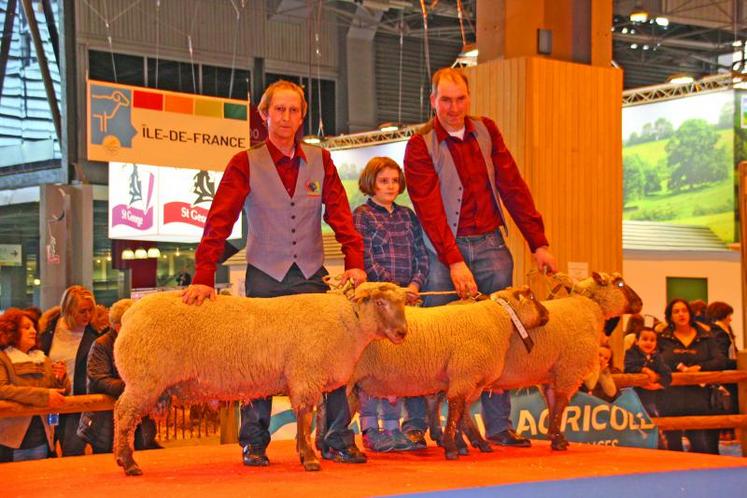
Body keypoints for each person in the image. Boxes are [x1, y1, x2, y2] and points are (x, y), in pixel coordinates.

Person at [182, 80, 368, 466]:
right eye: (278, 110)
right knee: (259, 363)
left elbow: (339, 214)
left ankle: (336, 437)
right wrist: (203, 274)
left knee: (330, 359)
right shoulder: (244, 163)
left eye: (293, 110)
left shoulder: (321, 160)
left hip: (312, 274)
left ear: (302, 116)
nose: (286, 117)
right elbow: (219, 221)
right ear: (264, 115)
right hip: (265, 274)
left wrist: (354, 259)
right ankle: (254, 441)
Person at [403, 67, 557, 448]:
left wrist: (538, 242)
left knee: (498, 340)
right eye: (446, 100)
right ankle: (424, 426)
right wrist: (454, 260)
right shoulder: (420, 145)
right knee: (432, 339)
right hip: (442, 249)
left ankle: (500, 426)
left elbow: (512, 186)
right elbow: (429, 209)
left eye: (460, 99)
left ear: (468, 99)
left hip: (490, 245)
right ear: (433, 101)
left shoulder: (486, 131)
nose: (454, 108)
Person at [352, 156, 429, 452]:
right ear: (371, 182)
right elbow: (366, 259)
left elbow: (421, 255)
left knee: (400, 365)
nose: (390, 186)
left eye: (395, 181)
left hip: (407, 300)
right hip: (379, 303)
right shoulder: (362, 215)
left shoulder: (408, 216)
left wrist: (414, 285)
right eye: (383, 181)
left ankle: (396, 428)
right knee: (375, 366)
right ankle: (371, 428)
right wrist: (394, 290)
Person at [77, 299, 159, 453]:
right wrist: (134, 388)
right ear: (118, 326)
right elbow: (99, 380)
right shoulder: (101, 345)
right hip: (106, 425)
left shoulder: (142, 344)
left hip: (138, 422)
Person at [0, 308, 69, 462]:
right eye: (26, 328)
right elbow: (2, 390)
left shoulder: (42, 358)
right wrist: (44, 396)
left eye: (33, 327)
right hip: (12, 441)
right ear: (12, 331)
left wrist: (61, 377)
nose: (33, 331)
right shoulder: (3, 359)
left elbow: (61, 392)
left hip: (44, 438)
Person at [39, 285, 101, 456]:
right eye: (82, 311)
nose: (88, 316)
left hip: (78, 404)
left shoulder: (96, 333)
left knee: (72, 447)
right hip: (53, 403)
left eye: (90, 310)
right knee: (50, 445)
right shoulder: (48, 330)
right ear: (68, 310)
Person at [658, 298, 726, 454]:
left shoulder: (706, 336)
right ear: (670, 316)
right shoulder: (662, 338)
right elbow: (656, 361)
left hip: (700, 398)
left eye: (684, 310)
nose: (681, 314)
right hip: (670, 399)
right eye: (676, 311)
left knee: (701, 446)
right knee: (672, 447)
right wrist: (677, 367)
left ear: (690, 313)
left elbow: (720, 361)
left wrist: (700, 367)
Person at [624, 325, 672, 417]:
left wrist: (658, 385)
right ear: (637, 341)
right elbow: (628, 368)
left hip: (653, 398)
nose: (648, 342)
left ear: (656, 343)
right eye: (645, 339)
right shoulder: (631, 353)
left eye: (652, 340)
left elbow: (667, 374)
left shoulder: (657, 357)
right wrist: (644, 370)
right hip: (634, 396)